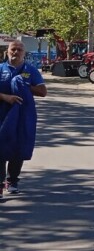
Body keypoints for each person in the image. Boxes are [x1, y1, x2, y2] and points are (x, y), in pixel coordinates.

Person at [0, 40, 47, 198]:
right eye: (13, 49)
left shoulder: (30, 70)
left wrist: (25, 85)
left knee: (19, 146)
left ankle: (12, 180)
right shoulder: (1, 69)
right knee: (1, 147)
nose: (16, 52)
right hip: (2, 113)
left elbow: (43, 91)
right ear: (7, 51)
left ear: (24, 53)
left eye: (20, 49)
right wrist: (6, 97)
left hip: (22, 114)